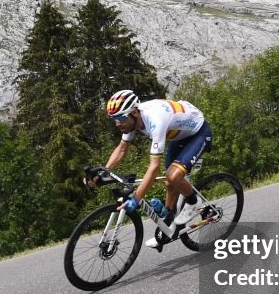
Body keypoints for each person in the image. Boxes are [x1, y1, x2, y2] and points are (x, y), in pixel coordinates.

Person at [88, 90, 213, 249]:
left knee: (173, 176)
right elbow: (121, 149)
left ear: (134, 112)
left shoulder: (155, 119)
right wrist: (102, 172)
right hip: (179, 136)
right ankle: (168, 224)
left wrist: (137, 198)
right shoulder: (131, 120)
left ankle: (194, 202)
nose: (118, 124)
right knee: (170, 182)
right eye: (114, 119)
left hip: (199, 133)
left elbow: (154, 167)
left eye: (120, 118)